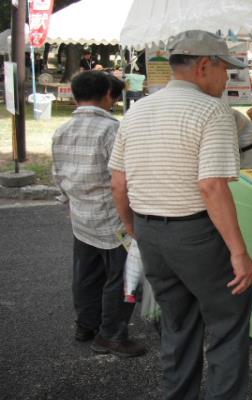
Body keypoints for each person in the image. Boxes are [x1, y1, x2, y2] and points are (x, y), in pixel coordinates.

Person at [109, 30, 252, 400]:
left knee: (177, 324)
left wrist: (135, 230)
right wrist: (239, 252)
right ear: (205, 65)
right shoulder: (213, 111)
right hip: (197, 234)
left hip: (150, 230)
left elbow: (118, 184)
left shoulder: (137, 109)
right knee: (227, 321)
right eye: (227, 70)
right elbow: (212, 187)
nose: (228, 79)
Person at [51, 71, 146, 358]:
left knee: (85, 276)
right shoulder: (112, 130)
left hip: (81, 217)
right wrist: (132, 220)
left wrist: (70, 205)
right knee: (122, 278)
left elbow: (58, 176)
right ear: (108, 94)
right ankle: (112, 335)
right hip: (114, 220)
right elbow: (123, 182)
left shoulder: (61, 130)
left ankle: (86, 325)